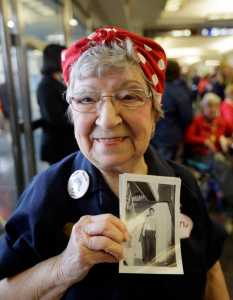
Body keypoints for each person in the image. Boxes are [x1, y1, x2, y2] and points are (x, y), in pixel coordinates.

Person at [0, 26, 230, 300]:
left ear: (155, 110)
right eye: (87, 98)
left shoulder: (183, 183)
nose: (108, 119)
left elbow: (211, 271)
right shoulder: (47, 193)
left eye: (129, 96)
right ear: (72, 112)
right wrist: (65, 266)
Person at [37, 44, 77, 164]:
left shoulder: (56, 81)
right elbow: (54, 118)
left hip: (65, 144)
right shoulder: (46, 85)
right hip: (58, 145)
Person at [150, 59, 193, 160]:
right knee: (164, 168)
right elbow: (187, 117)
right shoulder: (179, 92)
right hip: (169, 136)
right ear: (178, 72)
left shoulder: (153, 88)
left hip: (151, 134)